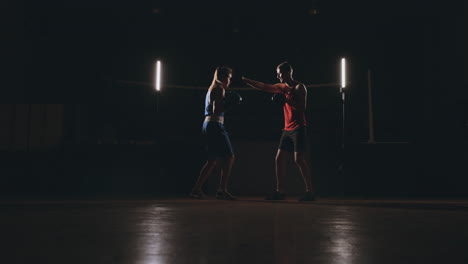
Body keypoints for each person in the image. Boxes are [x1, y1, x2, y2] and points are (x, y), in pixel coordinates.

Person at [242, 62, 315, 201]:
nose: (277, 76)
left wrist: (287, 101)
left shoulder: (300, 87)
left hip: (299, 127)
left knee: (298, 159)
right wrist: (247, 81)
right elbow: (264, 86)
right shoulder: (282, 87)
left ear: (288, 72)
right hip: (287, 129)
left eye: (279, 73)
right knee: (279, 158)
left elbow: (302, 107)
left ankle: (310, 191)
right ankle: (280, 191)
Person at [190, 66, 237, 200]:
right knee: (229, 157)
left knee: (212, 160)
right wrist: (229, 104)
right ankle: (222, 190)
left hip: (208, 124)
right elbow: (217, 110)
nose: (230, 81)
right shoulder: (219, 88)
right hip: (215, 124)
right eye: (229, 78)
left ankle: (196, 189)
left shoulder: (212, 88)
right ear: (223, 77)